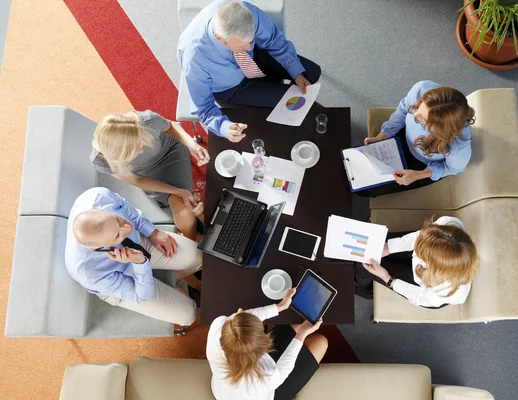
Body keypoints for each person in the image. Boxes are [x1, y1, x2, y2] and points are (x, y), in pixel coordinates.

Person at [178, 0, 321, 142]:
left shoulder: (245, 12)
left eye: (250, 40)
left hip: (256, 58)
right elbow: (204, 108)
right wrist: (224, 127)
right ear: (219, 38)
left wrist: (296, 72)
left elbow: (273, 41)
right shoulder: (194, 59)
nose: (248, 47)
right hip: (233, 88)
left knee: (311, 73)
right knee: (302, 105)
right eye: (241, 45)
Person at [65, 187, 203, 326]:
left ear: (98, 210)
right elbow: (141, 296)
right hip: (119, 280)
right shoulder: (89, 273)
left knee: (200, 256)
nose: (128, 228)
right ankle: (178, 288)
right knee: (187, 315)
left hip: (136, 242)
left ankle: (171, 280)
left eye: (118, 220)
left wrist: (152, 232)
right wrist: (140, 263)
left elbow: (126, 207)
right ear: (97, 248)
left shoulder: (98, 196)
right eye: (117, 235)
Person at [91, 110, 209, 241]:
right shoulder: (101, 161)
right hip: (146, 176)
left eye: (141, 137)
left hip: (171, 151)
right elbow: (137, 179)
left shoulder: (146, 121)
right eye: (137, 144)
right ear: (122, 154)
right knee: (184, 213)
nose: (144, 144)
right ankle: (192, 243)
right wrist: (178, 191)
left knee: (185, 211)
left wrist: (192, 145)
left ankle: (194, 235)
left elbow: (171, 126)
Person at [207, 288, 328, 400]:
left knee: (297, 325)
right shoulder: (266, 377)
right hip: (269, 392)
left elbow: (243, 321)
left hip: (225, 389)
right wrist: (302, 334)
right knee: (320, 342)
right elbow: (284, 368)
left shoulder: (218, 327)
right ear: (263, 344)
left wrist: (279, 307)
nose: (240, 310)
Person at [359, 80, 475, 197]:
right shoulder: (421, 89)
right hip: (404, 136)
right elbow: (403, 109)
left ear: (439, 131)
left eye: (422, 119)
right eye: (419, 107)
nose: (415, 115)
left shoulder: (459, 147)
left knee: (363, 189)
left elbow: (451, 168)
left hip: (422, 165)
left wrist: (418, 175)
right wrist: (383, 136)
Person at [354, 216, 479, 308]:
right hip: (434, 260)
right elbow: (419, 237)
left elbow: (417, 296)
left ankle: (367, 291)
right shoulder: (450, 224)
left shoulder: (441, 292)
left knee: (363, 267)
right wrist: (389, 247)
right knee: (374, 244)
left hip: (423, 285)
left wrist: (387, 278)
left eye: (421, 254)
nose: (416, 253)